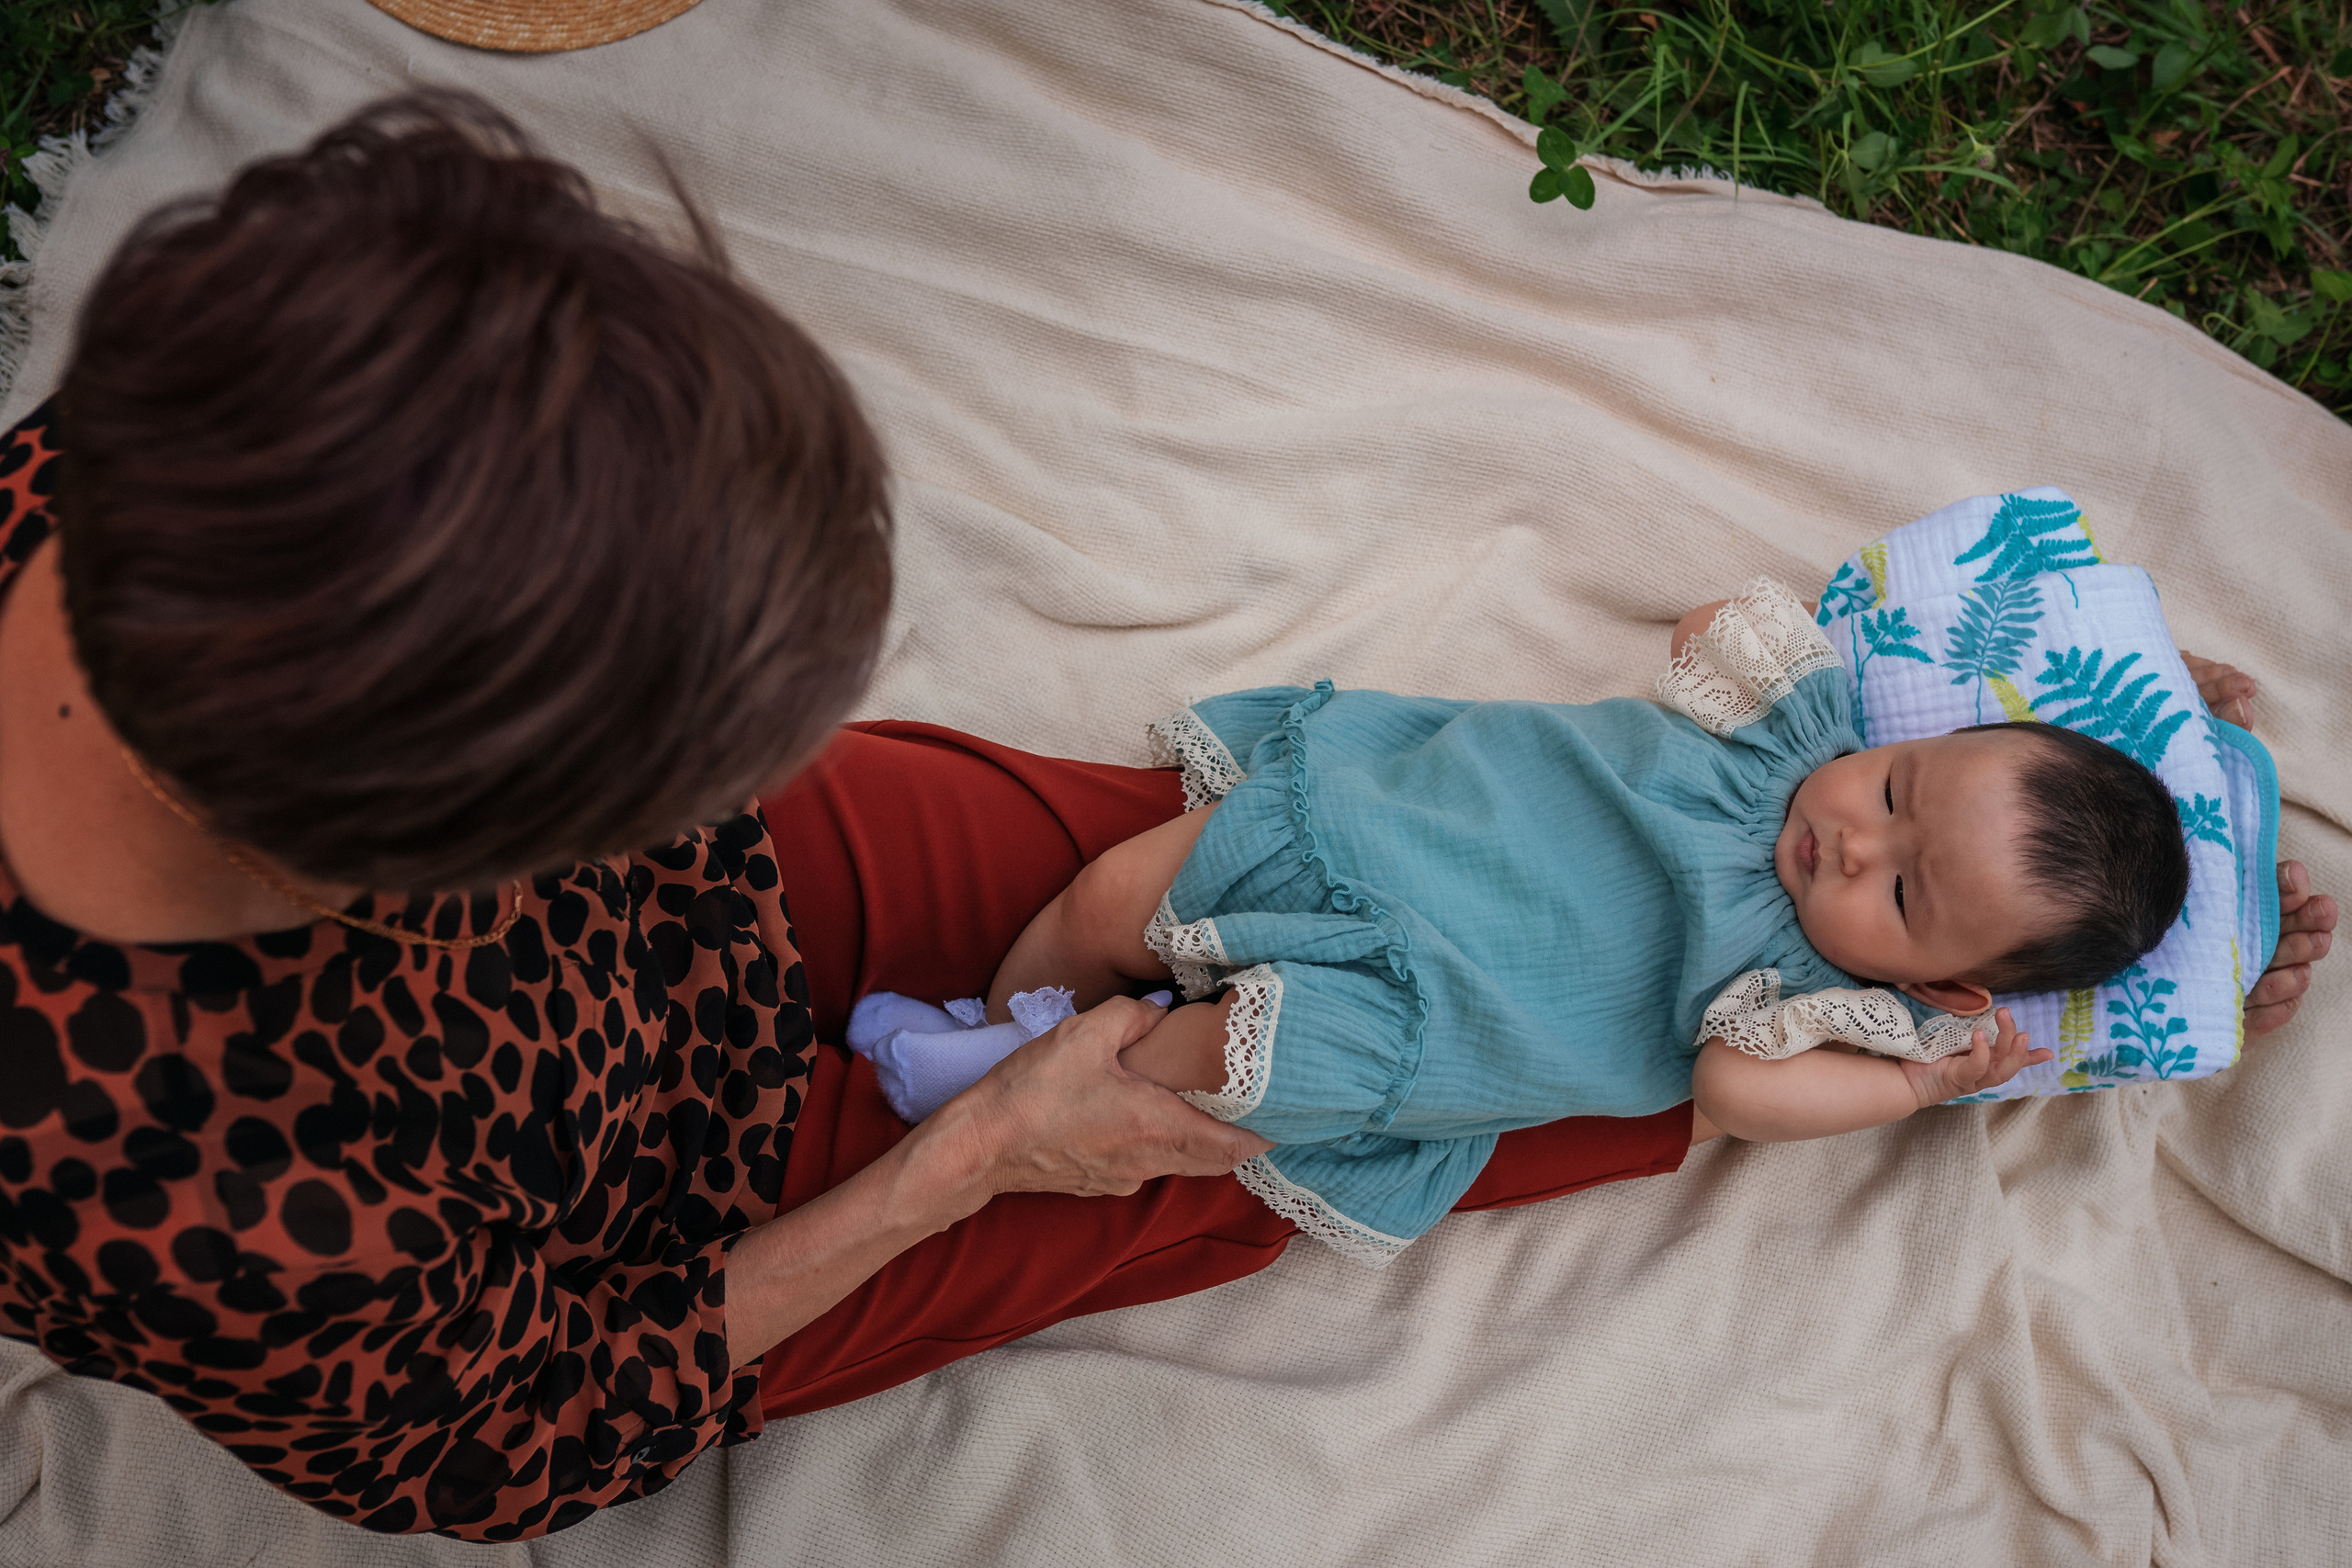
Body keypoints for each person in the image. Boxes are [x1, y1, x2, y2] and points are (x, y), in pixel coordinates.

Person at [0, 91, 2331, 1542]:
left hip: (704, 949)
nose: (773, 764)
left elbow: (1891, 724)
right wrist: (966, 1157)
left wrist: (2150, 821)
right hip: (652, 1227)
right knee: (1260, 1141)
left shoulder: (172, 468)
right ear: (427, 858)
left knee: (1254, 911)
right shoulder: (184, 1188)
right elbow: (495, 1443)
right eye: (710, 747)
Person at [848, 581, 2282, 1264]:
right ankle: (1001, 1026)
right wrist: (2132, 693)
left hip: (1443, 1017)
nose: (1853, 835)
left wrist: (1914, 1081)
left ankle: (1029, 1100)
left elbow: (1731, 1088)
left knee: (1212, 1064)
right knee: (1116, 893)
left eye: (1901, 894)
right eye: (1899, 785)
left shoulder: (1832, 1008)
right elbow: (1728, 623)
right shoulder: (1805, 739)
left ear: (1955, 986)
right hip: (1385, 826)